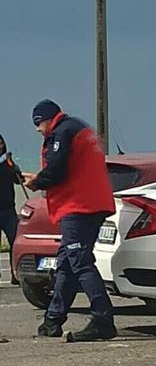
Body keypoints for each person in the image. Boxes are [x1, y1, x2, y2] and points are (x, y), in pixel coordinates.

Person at [22, 100, 117, 341]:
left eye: (38, 123)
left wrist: (37, 181)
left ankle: (103, 319)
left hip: (78, 206)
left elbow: (57, 170)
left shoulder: (61, 132)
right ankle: (53, 319)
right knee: (66, 263)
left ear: (47, 119)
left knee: (80, 262)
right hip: (94, 204)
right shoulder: (80, 128)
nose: (37, 130)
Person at [0, 134, 23, 285]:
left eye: (1, 142)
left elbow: (18, 180)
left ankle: (16, 273)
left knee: (15, 241)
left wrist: (15, 168)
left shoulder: (8, 163)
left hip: (8, 208)